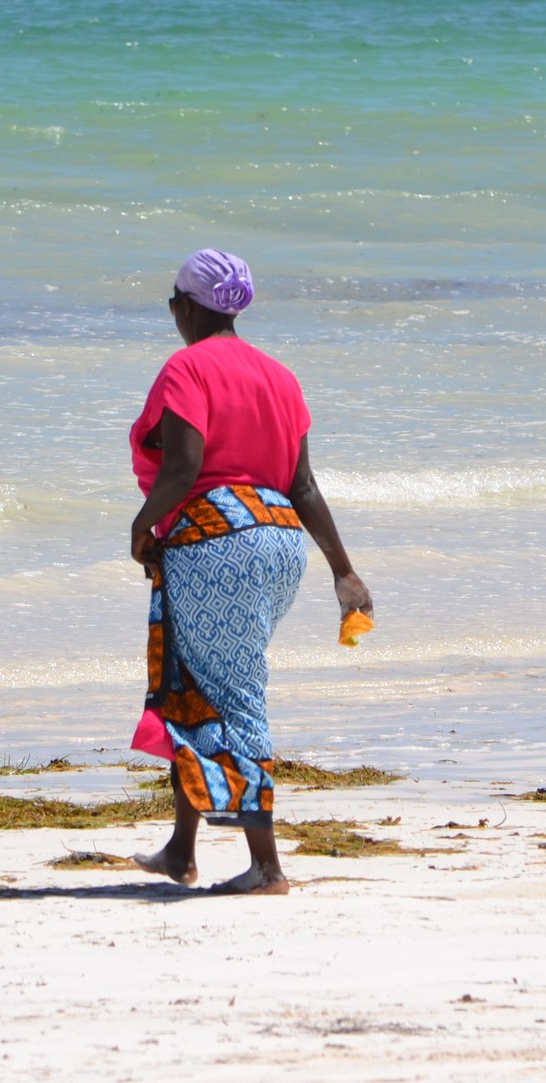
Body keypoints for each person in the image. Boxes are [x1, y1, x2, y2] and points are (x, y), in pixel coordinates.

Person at [125, 249, 372, 895]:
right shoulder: (279, 376)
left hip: (215, 544)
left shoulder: (187, 366)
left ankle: (267, 865)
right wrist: (342, 570)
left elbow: (183, 466)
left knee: (231, 692)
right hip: (279, 541)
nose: (172, 309)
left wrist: (141, 524)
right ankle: (181, 849)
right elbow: (304, 485)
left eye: (173, 298)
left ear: (187, 304)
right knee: (196, 682)